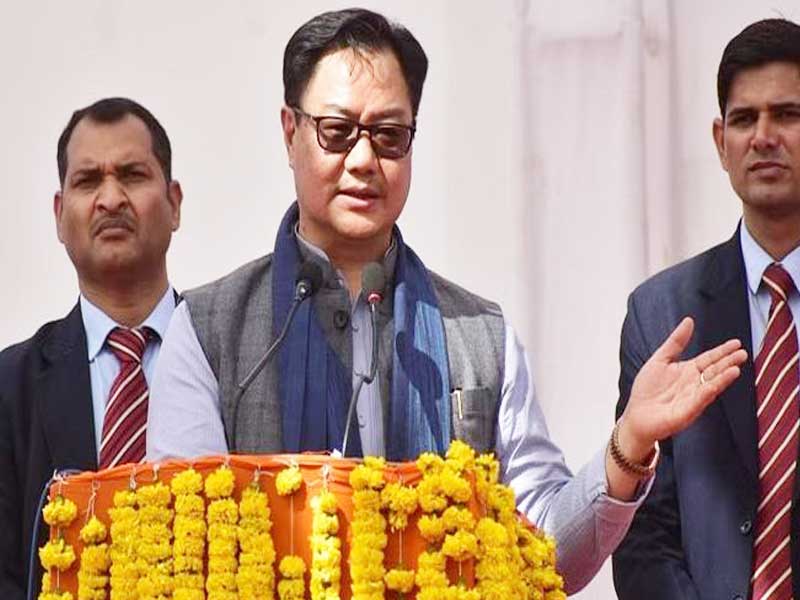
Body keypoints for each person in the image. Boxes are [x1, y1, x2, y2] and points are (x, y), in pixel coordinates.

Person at [147, 9, 745, 593]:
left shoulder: (478, 334)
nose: (363, 160)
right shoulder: (208, 330)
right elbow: (183, 549)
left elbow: (544, 554)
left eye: (388, 136)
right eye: (336, 132)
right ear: (290, 132)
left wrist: (630, 443)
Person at [613, 18, 800, 600]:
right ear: (721, 142)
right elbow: (641, 532)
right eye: (744, 119)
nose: (763, 137)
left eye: (787, 115)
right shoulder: (662, 313)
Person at [0, 97, 182, 599]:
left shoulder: (234, 357)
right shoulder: (10, 386)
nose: (111, 198)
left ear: (174, 204)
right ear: (60, 216)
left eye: (132, 175)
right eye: (88, 181)